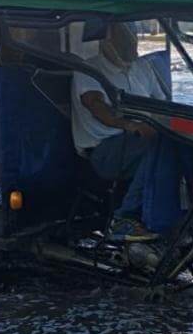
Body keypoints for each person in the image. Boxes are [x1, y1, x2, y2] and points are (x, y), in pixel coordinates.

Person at [70, 22, 176, 242]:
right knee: (159, 150)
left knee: (187, 146)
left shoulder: (143, 67)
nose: (131, 42)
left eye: (133, 36)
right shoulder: (89, 70)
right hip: (104, 148)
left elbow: (164, 104)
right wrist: (131, 125)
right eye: (123, 37)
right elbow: (97, 106)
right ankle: (124, 218)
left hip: (140, 139)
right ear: (107, 40)